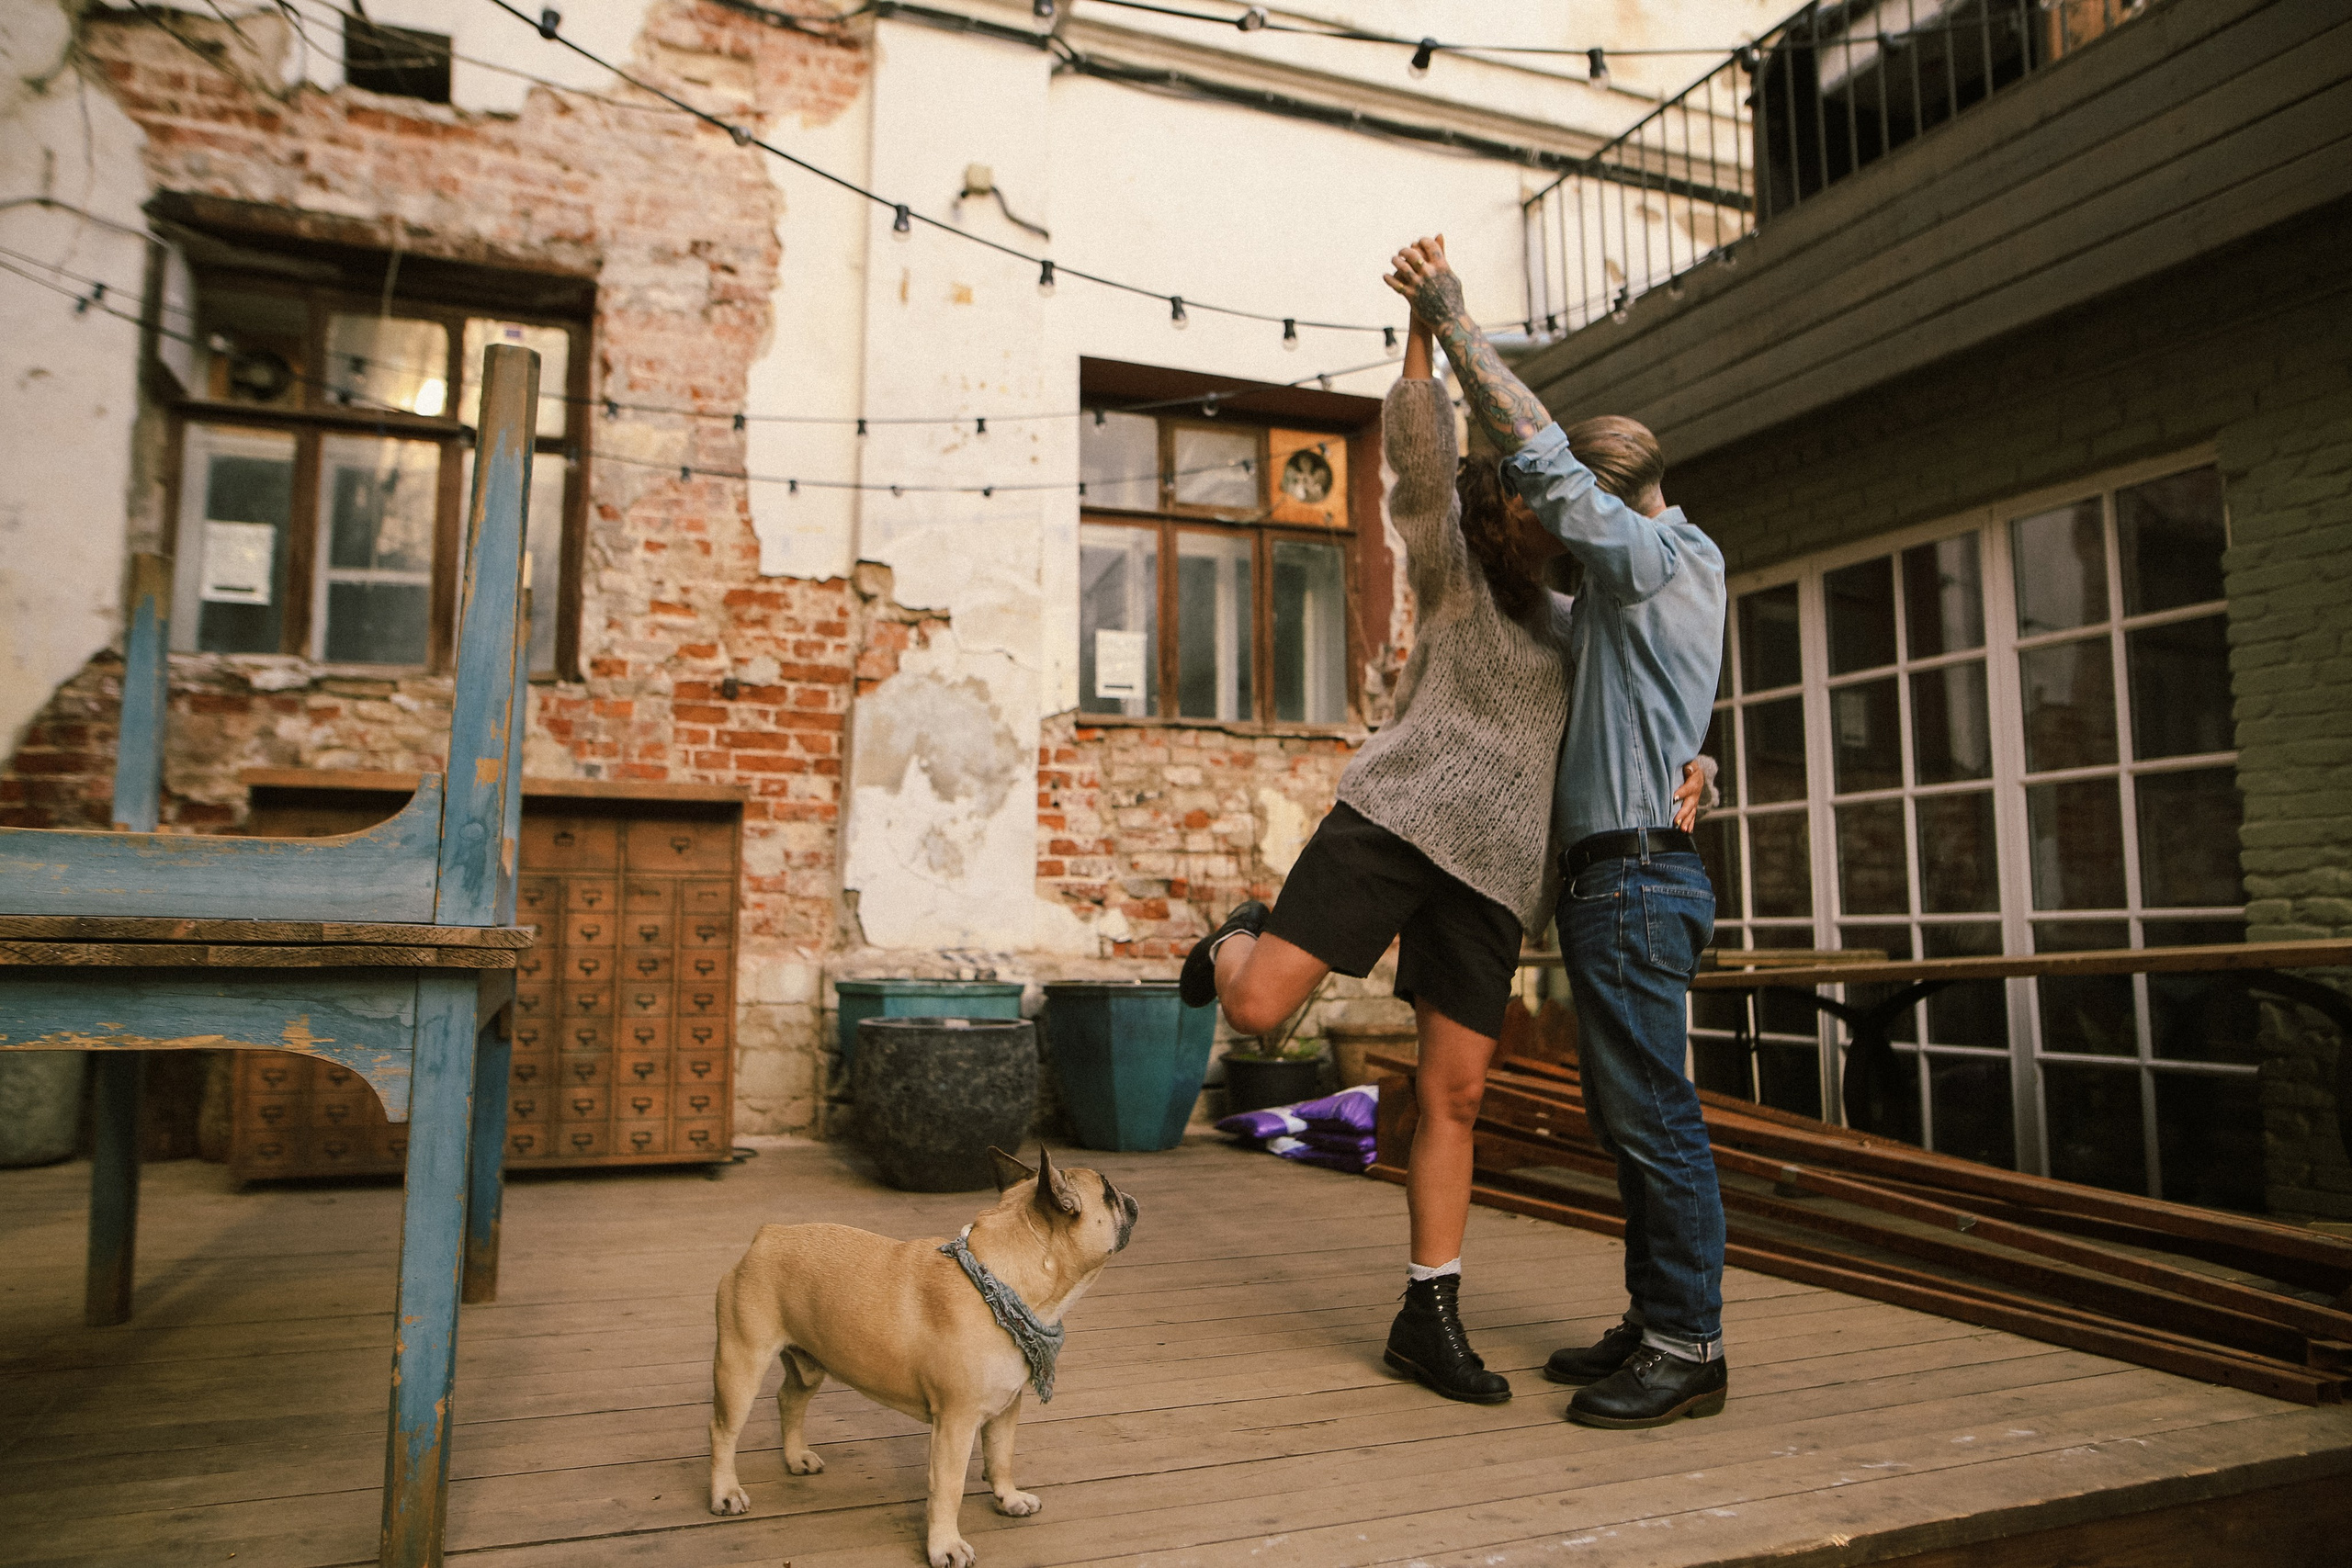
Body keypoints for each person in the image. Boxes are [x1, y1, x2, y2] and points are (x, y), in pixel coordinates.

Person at [1179, 267, 1706, 1406]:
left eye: (1548, 499)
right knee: (1260, 1009)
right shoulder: (1457, 578)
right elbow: (1416, 468)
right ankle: (1234, 935)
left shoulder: (1590, 629)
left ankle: (1428, 1314)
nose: (1535, 508)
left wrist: (1692, 768)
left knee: (1453, 1096)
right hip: (1395, 825)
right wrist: (1421, 338)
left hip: (1496, 879)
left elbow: (1649, 713)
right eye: (1521, 494)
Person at [1386, 235, 1731, 1430]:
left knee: (1657, 1115)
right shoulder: (1625, 596)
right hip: (1616, 878)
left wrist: (1451, 315)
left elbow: (1539, 452)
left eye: (1562, 503)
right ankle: (1657, 1314)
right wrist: (1699, 760)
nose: (1544, 520)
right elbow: (1642, 704)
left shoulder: (1663, 556)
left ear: (1610, 495)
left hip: (1635, 880)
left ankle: (1689, 1340)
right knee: (1631, 1113)